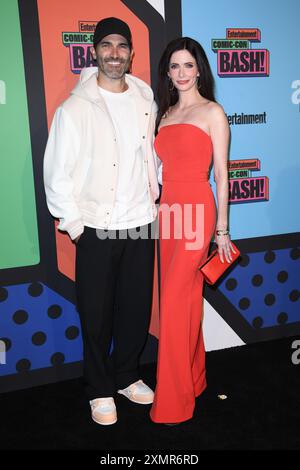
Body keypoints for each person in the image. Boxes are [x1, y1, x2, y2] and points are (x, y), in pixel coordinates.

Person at [43, 17, 159, 426]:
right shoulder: (74, 108)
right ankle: (99, 388)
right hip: (95, 227)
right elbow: (55, 175)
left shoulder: (146, 99)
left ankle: (127, 376)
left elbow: (151, 158)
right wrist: (77, 227)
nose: (114, 53)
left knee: (135, 308)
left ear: (131, 53)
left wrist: (156, 195)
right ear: (94, 51)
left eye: (122, 46)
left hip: (141, 223)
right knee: (95, 314)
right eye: (106, 45)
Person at [150, 37, 235, 424]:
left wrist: (222, 231)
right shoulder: (163, 114)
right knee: (180, 303)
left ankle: (174, 401)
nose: (181, 73)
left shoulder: (212, 112)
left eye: (188, 65)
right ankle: (196, 378)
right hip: (167, 215)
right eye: (174, 66)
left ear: (199, 68)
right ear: (167, 73)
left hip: (198, 214)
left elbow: (222, 175)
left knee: (173, 305)